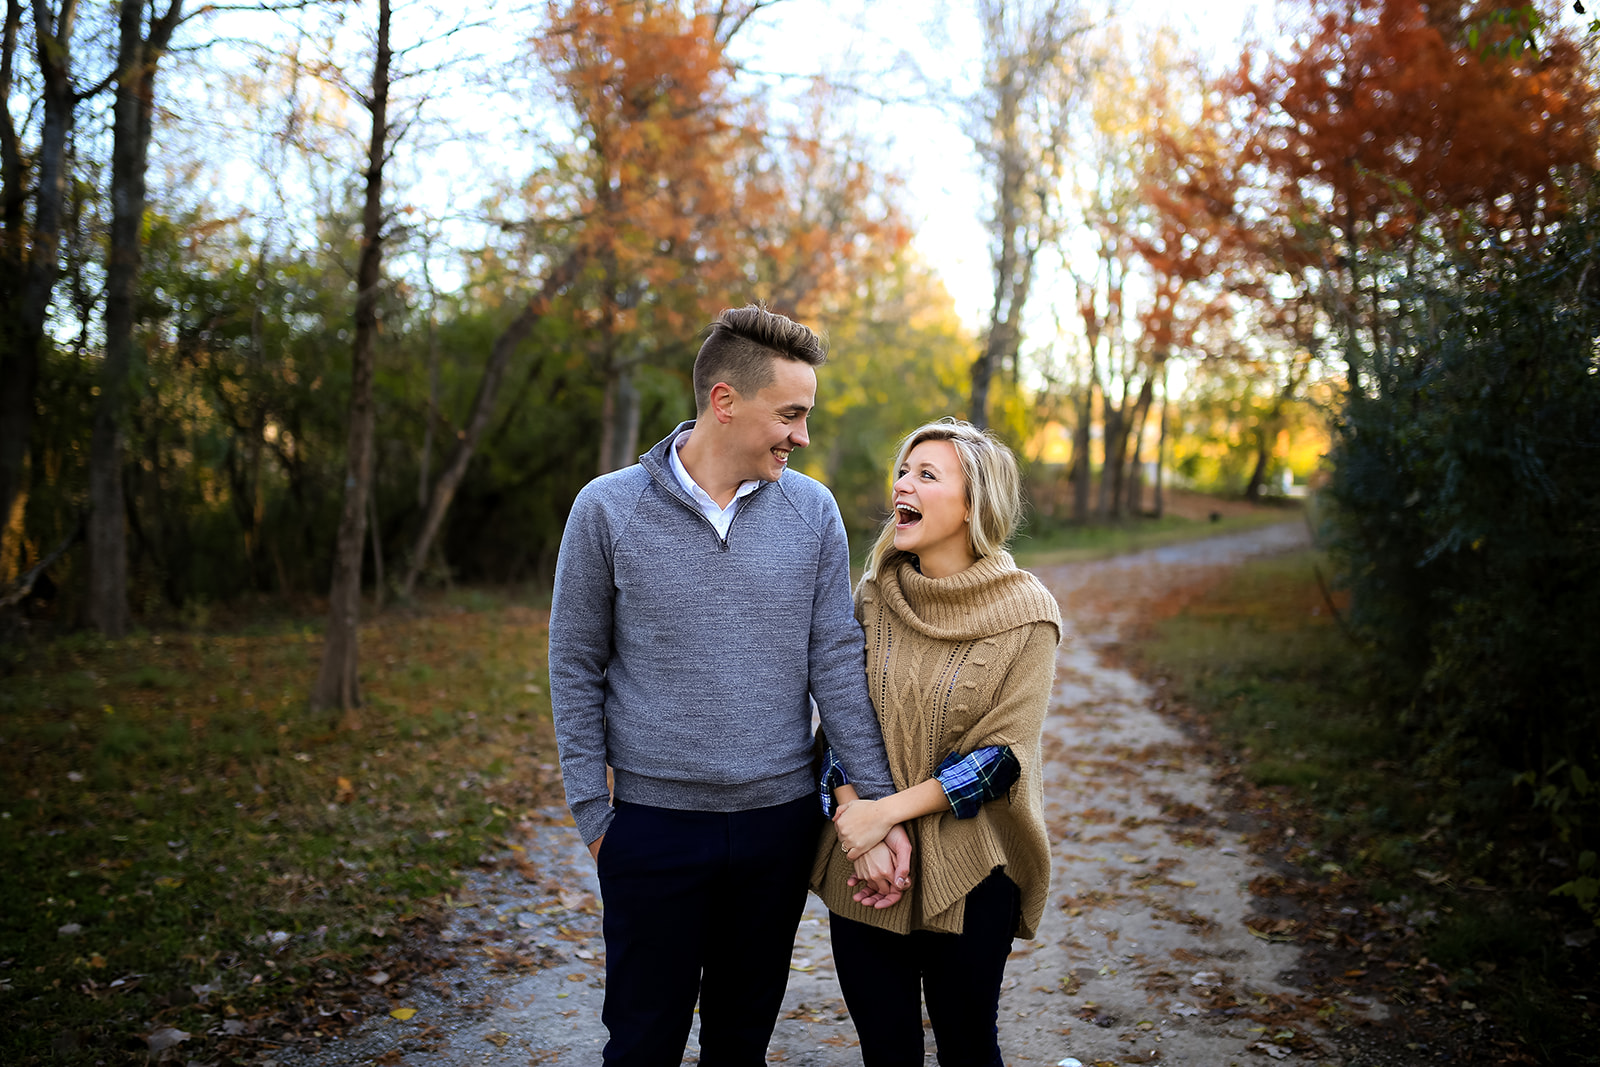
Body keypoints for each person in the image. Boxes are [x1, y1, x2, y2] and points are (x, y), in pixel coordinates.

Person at [548, 304, 912, 1067]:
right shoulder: (607, 508)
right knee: (642, 1043)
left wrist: (876, 808)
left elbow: (837, 664)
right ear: (725, 401)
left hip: (775, 828)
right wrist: (594, 814)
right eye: (790, 413)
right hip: (650, 827)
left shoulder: (812, 511)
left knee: (741, 1044)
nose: (802, 435)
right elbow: (574, 662)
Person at [810, 418, 1063, 1067]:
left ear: (975, 504)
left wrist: (883, 813)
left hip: (972, 869)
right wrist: (854, 817)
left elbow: (1000, 760)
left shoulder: (1027, 612)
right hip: (865, 869)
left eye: (927, 474)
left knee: (968, 1047)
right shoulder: (873, 595)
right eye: (903, 470)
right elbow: (841, 717)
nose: (904, 484)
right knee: (887, 1051)